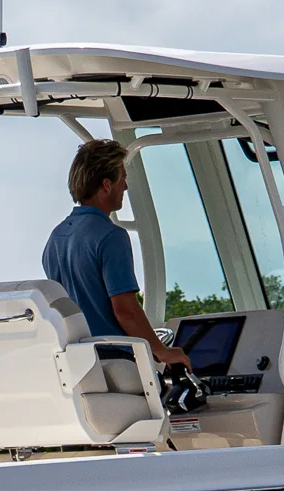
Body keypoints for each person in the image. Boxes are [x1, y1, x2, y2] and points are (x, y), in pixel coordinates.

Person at [44, 138, 190, 370]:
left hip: (78, 367)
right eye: (122, 178)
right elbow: (125, 311)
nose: (126, 186)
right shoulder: (112, 237)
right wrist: (161, 351)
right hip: (114, 364)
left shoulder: (55, 239)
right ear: (106, 185)